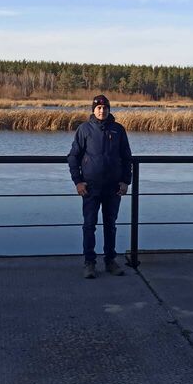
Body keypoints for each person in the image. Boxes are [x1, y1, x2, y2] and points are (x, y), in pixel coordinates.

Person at [67, 94, 132, 278]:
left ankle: (110, 261)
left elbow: (127, 158)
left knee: (110, 225)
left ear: (109, 109)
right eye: (98, 108)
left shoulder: (118, 130)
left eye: (105, 108)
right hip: (90, 187)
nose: (102, 111)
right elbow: (73, 157)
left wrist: (125, 181)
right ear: (93, 110)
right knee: (89, 225)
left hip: (113, 188)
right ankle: (89, 263)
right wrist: (78, 181)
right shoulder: (84, 129)